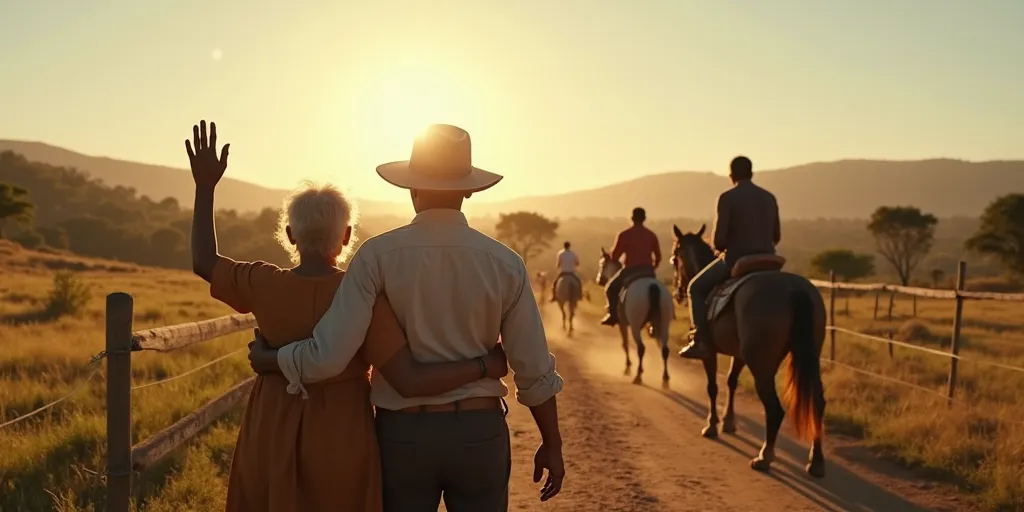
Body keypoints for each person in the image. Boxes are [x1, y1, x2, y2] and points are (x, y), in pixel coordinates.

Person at [185, 120, 509, 512]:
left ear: (289, 234)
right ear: (346, 235)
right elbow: (408, 377)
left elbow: (204, 260)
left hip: (271, 427)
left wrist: (205, 187)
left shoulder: (261, 283)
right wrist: (486, 365)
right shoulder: (362, 293)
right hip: (344, 433)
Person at [248, 124, 565, 511]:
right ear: (467, 189)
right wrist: (552, 444)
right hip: (479, 433)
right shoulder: (505, 263)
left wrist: (272, 359)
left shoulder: (375, 257)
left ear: (411, 189)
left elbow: (327, 357)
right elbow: (533, 368)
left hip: (404, 435)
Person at [678, 155, 781, 360]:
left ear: (731, 176)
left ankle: (700, 341)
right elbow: (776, 237)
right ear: (752, 174)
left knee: (695, 289)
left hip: (737, 260)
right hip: (769, 260)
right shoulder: (769, 197)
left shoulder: (727, 197)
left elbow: (718, 242)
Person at [600, 207, 662, 326]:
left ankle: (612, 314)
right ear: (644, 219)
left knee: (610, 288)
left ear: (632, 218)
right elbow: (658, 257)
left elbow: (615, 257)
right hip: (648, 271)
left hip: (630, 270)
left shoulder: (624, 234)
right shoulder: (651, 235)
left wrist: (612, 255)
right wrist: (652, 268)